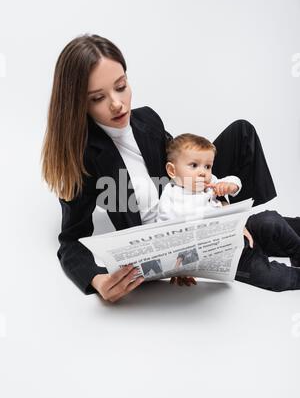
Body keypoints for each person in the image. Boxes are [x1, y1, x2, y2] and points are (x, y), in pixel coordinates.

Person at [40, 33, 298, 302]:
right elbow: (71, 240)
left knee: (242, 133)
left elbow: (183, 165)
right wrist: (97, 279)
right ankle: (245, 244)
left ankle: (242, 228)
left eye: (121, 86)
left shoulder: (147, 119)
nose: (117, 103)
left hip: (189, 202)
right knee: (271, 236)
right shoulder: (82, 158)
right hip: (169, 234)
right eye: (97, 98)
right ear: (78, 103)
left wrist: (225, 211)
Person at [155, 133, 300, 289]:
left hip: (242, 229)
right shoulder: (171, 196)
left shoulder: (210, 183)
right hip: (225, 253)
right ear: (172, 171)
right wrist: (180, 267)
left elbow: (234, 180)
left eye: (208, 166)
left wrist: (230, 186)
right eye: (194, 165)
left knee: (271, 220)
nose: (203, 172)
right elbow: (166, 235)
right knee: (270, 276)